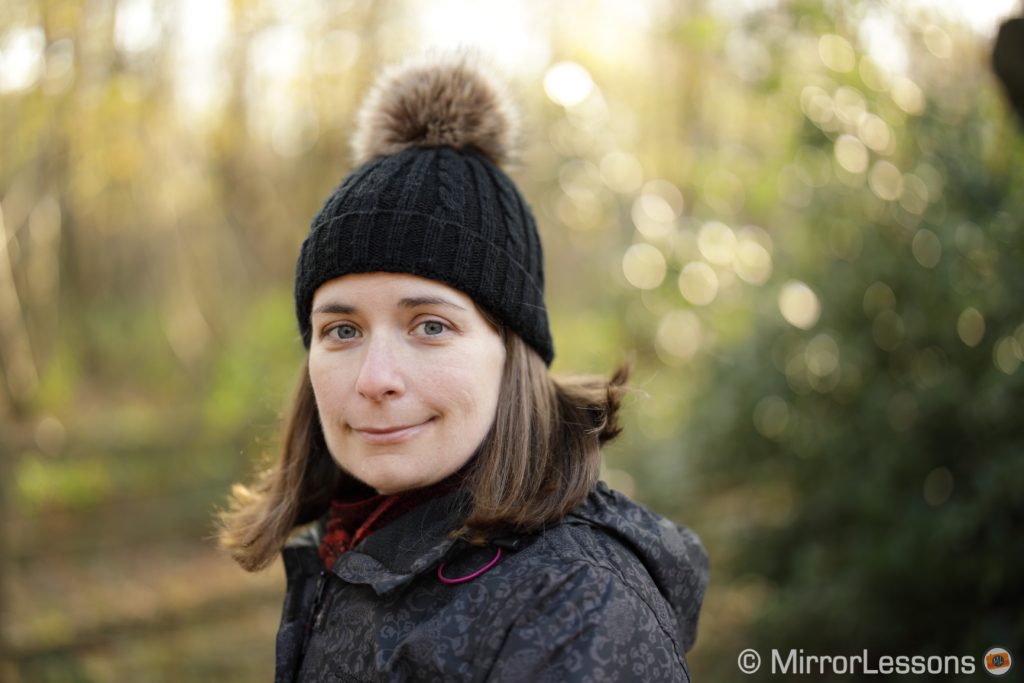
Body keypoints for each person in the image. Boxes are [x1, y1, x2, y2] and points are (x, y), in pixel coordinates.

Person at [217, 52, 709, 683]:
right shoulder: (351, 541)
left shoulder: (578, 606)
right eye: (342, 330)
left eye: (430, 326)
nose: (375, 379)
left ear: (513, 353)